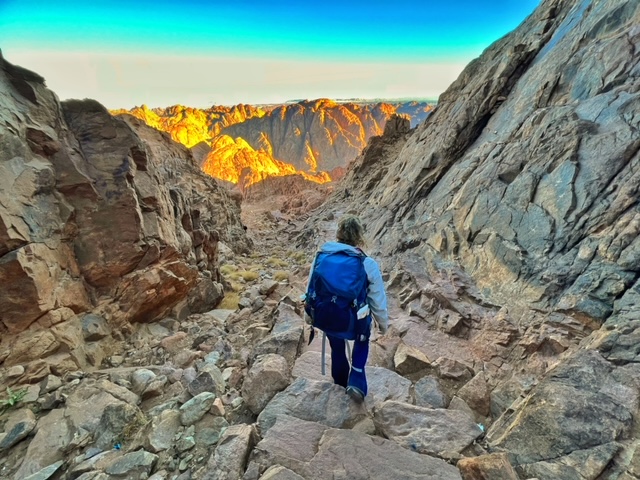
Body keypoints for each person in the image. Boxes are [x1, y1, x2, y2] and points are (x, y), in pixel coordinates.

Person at [306, 215, 389, 401]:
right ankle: (357, 379)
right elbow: (378, 300)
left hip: (327, 316)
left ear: (339, 234)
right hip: (353, 322)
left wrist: (308, 313)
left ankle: (340, 381)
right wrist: (383, 324)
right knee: (362, 338)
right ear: (359, 237)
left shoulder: (322, 256)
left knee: (337, 346)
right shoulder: (367, 263)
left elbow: (311, 287)